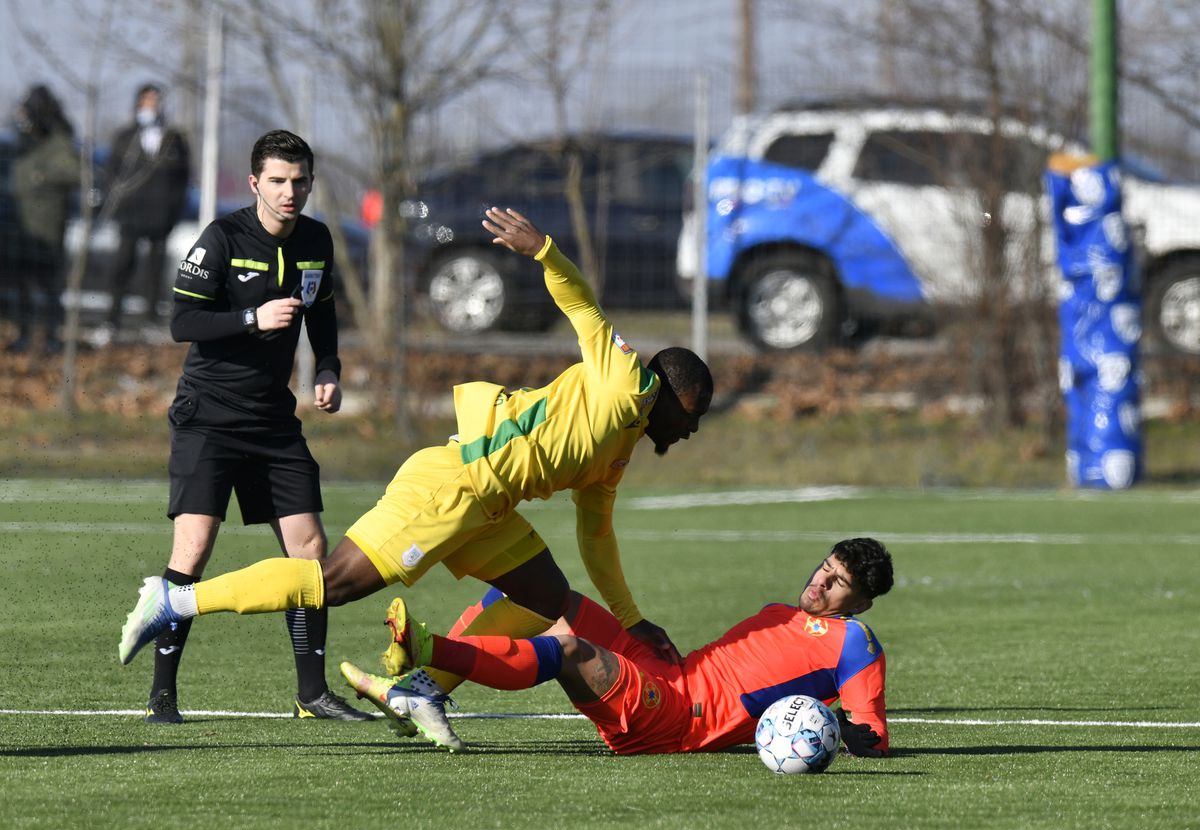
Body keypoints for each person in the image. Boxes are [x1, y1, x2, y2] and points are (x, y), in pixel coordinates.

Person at [120, 207, 714, 750]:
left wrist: (633, 619)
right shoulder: (629, 381)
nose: (691, 432)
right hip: (451, 488)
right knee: (334, 583)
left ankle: (421, 689)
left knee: (548, 602)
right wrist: (544, 251)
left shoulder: (620, 449)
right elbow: (583, 305)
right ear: (677, 396)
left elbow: (598, 536)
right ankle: (175, 598)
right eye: (694, 418)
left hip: (492, 507)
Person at [138, 129, 371, 724]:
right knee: (193, 550)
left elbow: (321, 309)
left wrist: (328, 368)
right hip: (208, 418)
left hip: (273, 420)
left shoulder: (317, 240)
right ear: (254, 184)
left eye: (299, 181)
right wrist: (251, 317)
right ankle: (162, 693)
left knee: (311, 550)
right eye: (277, 181)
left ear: (310, 183)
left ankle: (312, 694)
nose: (289, 192)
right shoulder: (220, 239)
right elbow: (182, 322)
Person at [343, 538, 894, 757]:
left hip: (680, 717)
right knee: (539, 596)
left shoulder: (857, 644)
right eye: (824, 569)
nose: (819, 583)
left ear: (861, 603)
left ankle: (427, 648)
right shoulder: (784, 611)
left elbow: (872, 738)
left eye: (837, 582)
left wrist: (838, 727)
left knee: (567, 648)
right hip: (668, 673)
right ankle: (417, 695)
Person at [101, 83, 190, 338]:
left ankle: (149, 320)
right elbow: (112, 174)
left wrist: (173, 209)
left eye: (156, 100)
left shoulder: (174, 138)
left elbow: (183, 177)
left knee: (154, 270)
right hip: (130, 216)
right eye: (147, 100)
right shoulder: (125, 137)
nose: (152, 105)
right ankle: (112, 320)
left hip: (160, 217)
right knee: (122, 266)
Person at [7, 84, 78, 354]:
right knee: (22, 287)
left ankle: (50, 337)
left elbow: (73, 172)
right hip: (21, 226)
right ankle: (24, 335)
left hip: (48, 226)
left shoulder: (57, 141)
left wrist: (42, 176)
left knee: (49, 286)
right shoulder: (23, 141)